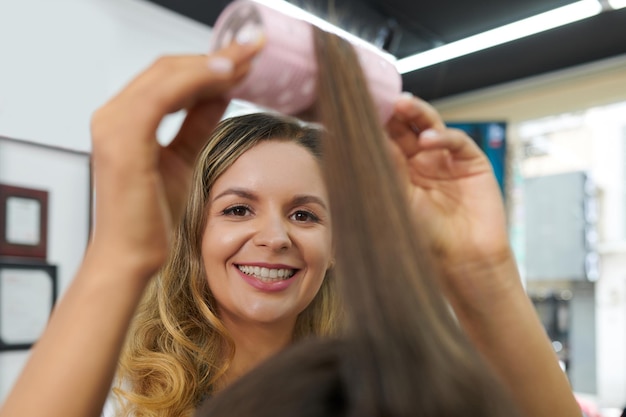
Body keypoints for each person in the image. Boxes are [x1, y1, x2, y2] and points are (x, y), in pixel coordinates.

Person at [0, 29, 581, 417]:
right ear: (192, 234)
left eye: (305, 214)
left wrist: (482, 266)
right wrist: (119, 255)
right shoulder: (134, 402)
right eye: (237, 209)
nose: (276, 237)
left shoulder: (385, 389)